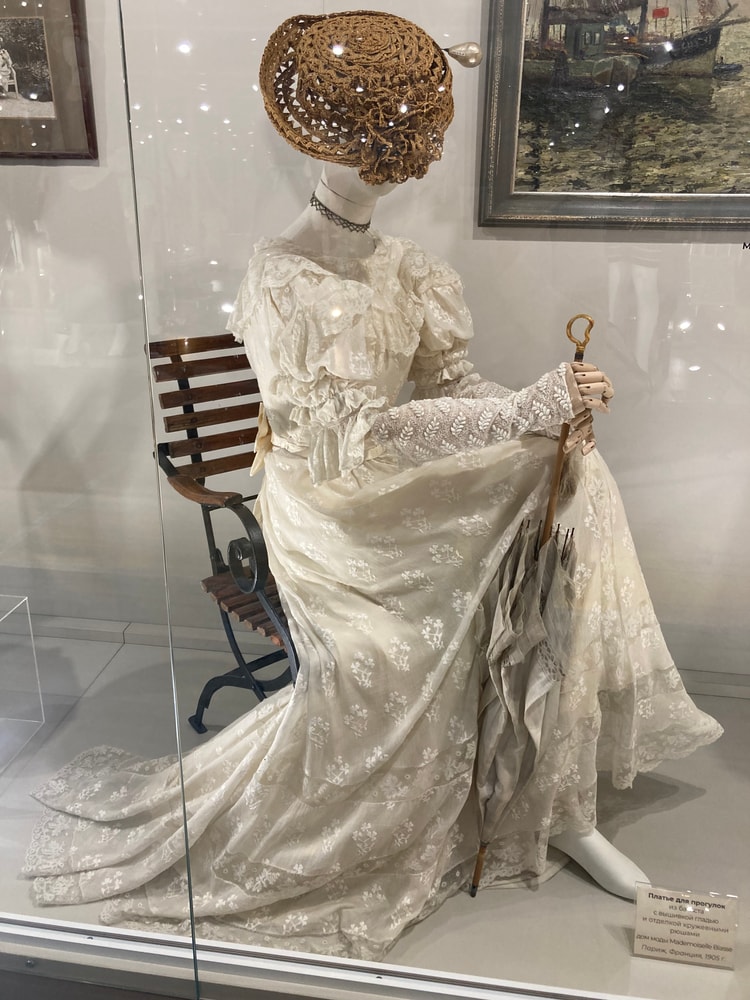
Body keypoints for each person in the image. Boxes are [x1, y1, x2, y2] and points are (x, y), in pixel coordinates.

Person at [23, 11, 722, 961]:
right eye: (358, 141)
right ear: (311, 139)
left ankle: (552, 795)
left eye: (394, 145)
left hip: (393, 483)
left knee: (573, 481)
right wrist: (520, 411)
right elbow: (354, 434)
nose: (380, 167)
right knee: (382, 656)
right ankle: (485, 796)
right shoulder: (281, 280)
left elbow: (448, 386)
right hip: (325, 507)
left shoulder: (410, 270)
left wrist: (543, 413)